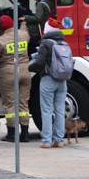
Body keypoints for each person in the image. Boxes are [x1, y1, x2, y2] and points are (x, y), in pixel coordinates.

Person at [28, 18, 71, 148]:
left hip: (48, 79)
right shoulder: (64, 43)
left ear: (46, 29)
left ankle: (46, 140)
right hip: (62, 80)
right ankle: (58, 140)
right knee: (59, 109)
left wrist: (30, 67)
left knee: (46, 110)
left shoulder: (46, 43)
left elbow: (40, 63)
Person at [0, 15, 21, 142]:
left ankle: (12, 133)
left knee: (10, 104)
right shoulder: (22, 35)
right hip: (24, 70)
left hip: (7, 73)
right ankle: (24, 132)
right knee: (23, 103)